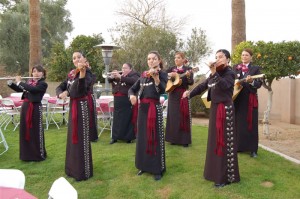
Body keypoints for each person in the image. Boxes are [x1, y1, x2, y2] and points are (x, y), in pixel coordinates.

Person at [182, 49, 240, 187]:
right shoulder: (215, 74)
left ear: (228, 60)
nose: (217, 59)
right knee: (215, 141)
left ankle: (225, 177)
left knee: (223, 142)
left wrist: (214, 72)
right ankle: (213, 173)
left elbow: (225, 86)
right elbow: (202, 85)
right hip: (214, 110)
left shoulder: (230, 73)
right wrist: (189, 94)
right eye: (216, 57)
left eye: (221, 57)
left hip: (225, 110)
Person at [128, 51, 168, 181]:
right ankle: (143, 166)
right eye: (149, 59)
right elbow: (132, 89)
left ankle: (157, 169)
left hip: (154, 109)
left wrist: (156, 79)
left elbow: (163, 89)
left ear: (158, 60)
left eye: (154, 59)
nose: (151, 61)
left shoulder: (162, 74)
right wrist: (132, 96)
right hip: (143, 109)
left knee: (155, 137)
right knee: (143, 138)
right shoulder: (143, 75)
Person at [56, 51, 93, 181]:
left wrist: (81, 75)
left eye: (79, 57)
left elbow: (80, 89)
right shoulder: (71, 74)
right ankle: (72, 168)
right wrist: (61, 92)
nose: (76, 59)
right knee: (72, 137)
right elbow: (60, 87)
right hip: (73, 106)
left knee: (81, 137)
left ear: (84, 59)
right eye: (74, 58)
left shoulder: (88, 73)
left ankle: (83, 171)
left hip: (81, 106)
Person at [7, 65, 48, 161]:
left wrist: (19, 82)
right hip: (25, 108)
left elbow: (32, 90)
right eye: (34, 71)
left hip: (35, 108)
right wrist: (11, 83)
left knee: (36, 131)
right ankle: (26, 155)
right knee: (25, 130)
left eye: (38, 71)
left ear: (43, 73)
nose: (36, 73)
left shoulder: (43, 84)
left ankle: (38, 154)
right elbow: (20, 89)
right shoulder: (30, 83)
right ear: (32, 73)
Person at [233, 48, 262, 158]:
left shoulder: (256, 69)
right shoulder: (236, 68)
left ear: (251, 57)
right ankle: (239, 147)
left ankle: (253, 150)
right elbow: (232, 80)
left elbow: (258, 84)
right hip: (238, 99)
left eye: (246, 55)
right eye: (243, 55)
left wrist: (252, 82)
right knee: (238, 124)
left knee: (251, 124)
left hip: (250, 99)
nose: (244, 57)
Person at [165, 51, 194, 147]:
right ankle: (173, 139)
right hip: (172, 94)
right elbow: (164, 77)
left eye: (178, 57)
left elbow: (191, 82)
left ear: (183, 59)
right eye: (175, 57)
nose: (176, 59)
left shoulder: (188, 69)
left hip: (183, 94)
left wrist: (189, 76)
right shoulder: (171, 69)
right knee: (173, 117)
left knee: (183, 115)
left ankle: (184, 140)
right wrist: (170, 75)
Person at [108, 63, 140, 144]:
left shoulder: (134, 75)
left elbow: (134, 81)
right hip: (117, 99)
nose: (123, 69)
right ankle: (115, 137)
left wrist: (120, 77)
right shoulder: (120, 74)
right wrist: (112, 76)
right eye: (122, 68)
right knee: (116, 118)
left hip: (127, 98)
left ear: (130, 69)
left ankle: (128, 137)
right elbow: (109, 80)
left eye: (125, 68)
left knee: (127, 118)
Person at [85, 59, 99, 142]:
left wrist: (88, 71)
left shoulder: (91, 74)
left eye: (87, 62)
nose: (86, 64)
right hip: (83, 96)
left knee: (91, 115)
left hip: (90, 96)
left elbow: (91, 83)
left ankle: (92, 136)